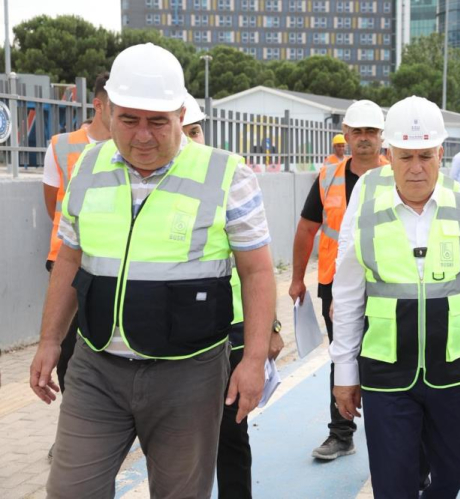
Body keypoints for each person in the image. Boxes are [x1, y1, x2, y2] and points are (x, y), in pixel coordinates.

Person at [29, 43, 277, 498]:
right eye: (129, 120)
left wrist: (255, 360)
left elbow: (258, 273)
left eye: (158, 122)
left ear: (181, 114)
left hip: (189, 374)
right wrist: (49, 340)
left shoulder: (228, 174)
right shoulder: (86, 167)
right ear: (108, 112)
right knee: (69, 490)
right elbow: (69, 257)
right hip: (96, 367)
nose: (142, 135)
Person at [332, 96, 460, 498]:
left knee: (455, 470)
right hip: (386, 376)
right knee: (392, 482)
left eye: (425, 156)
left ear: (440, 154)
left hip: (454, 373)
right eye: (406, 156)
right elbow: (346, 300)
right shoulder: (366, 216)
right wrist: (344, 373)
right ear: (390, 157)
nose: (416, 167)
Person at [182, 94, 284, 499]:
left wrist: (271, 327)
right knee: (181, 443)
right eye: (183, 132)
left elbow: (258, 267)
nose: (191, 140)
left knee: (231, 434)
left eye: (195, 131)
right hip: (179, 339)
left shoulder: (228, 177)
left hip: (235, 331)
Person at [288, 99, 385, 460]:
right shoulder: (329, 177)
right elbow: (307, 229)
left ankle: (389, 432)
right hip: (335, 282)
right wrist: (297, 279)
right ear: (346, 134)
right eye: (358, 131)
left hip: (385, 283)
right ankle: (341, 433)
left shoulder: (396, 176)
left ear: (381, 136)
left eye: (371, 131)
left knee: (384, 357)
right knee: (342, 354)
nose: (364, 138)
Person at [41, 71, 111, 461]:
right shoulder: (62, 146)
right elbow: (52, 204)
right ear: (98, 104)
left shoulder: (131, 146)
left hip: (112, 263)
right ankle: (74, 432)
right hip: (68, 261)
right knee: (67, 350)